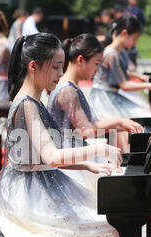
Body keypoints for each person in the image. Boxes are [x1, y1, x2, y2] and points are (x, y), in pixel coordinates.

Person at [0, 32, 151, 237]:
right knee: (111, 232)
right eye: (56, 67)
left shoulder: (34, 100)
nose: (60, 74)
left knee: (113, 228)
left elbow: (42, 158)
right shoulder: (26, 104)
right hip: (29, 196)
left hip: (43, 185)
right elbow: (52, 156)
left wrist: (87, 165)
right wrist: (97, 149)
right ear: (33, 66)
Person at [47, 34, 144, 193]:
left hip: (75, 151)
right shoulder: (67, 90)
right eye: (97, 63)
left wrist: (121, 126)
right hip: (70, 159)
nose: (98, 70)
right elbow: (87, 131)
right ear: (80, 60)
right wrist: (119, 122)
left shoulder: (70, 86)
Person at [90, 15, 151, 121]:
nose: (135, 43)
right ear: (124, 34)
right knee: (145, 117)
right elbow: (124, 85)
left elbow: (120, 72)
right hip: (105, 99)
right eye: (134, 38)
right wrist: (150, 85)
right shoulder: (112, 54)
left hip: (106, 96)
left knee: (143, 116)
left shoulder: (114, 51)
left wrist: (141, 76)